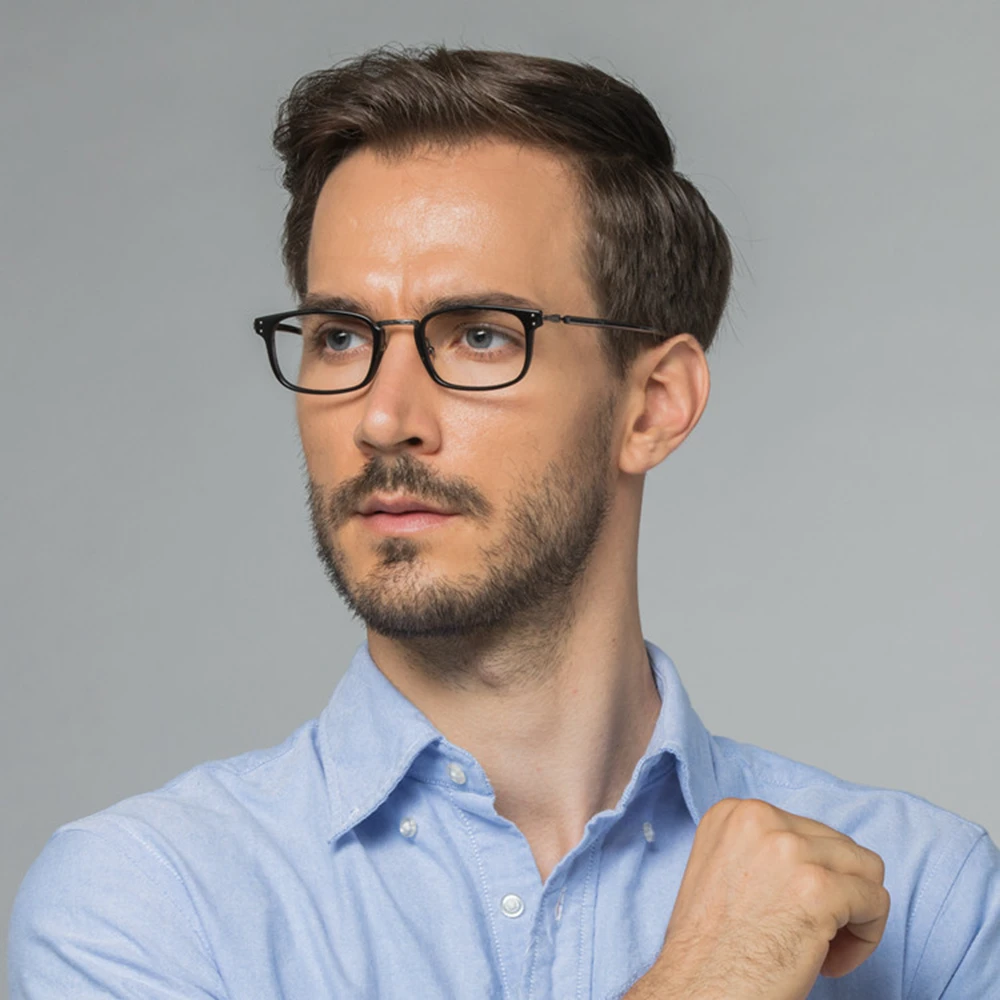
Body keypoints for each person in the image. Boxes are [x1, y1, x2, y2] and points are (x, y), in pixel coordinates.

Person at [8, 43, 999, 1000]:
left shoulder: (925, 905)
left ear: (653, 405)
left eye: (479, 335)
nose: (382, 418)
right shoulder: (145, 903)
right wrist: (714, 979)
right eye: (341, 336)